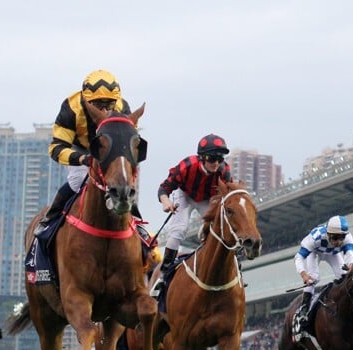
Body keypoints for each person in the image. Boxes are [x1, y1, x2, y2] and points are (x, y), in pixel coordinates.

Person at [36, 69, 138, 235]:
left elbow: (128, 141)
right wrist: (82, 158)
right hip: (80, 147)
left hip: (109, 150)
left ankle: (137, 224)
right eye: (98, 105)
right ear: (86, 100)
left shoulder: (122, 107)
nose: (104, 111)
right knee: (78, 180)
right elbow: (56, 148)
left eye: (109, 105)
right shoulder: (71, 108)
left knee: (123, 181)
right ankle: (50, 218)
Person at [152, 133, 233, 291]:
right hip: (185, 195)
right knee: (179, 230)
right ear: (202, 157)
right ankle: (164, 274)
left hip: (207, 199)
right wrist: (166, 202)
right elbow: (164, 188)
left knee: (220, 230)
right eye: (212, 159)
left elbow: (230, 196)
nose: (216, 163)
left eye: (220, 159)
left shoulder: (224, 171)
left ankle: (230, 268)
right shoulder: (187, 166)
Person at [292, 215, 353, 342]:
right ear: (328, 234)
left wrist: (351, 266)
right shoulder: (315, 237)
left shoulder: (348, 238)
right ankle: (304, 308)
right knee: (314, 278)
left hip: (333, 253)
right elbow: (298, 257)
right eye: (335, 238)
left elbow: (350, 255)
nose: (339, 242)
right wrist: (304, 274)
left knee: (344, 276)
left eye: (341, 237)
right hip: (315, 252)